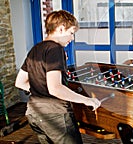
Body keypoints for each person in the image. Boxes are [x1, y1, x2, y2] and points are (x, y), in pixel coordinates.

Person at [15, 10, 101, 144]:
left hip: (35, 114)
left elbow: (20, 82)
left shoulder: (35, 49)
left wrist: (41, 90)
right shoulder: (55, 49)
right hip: (56, 116)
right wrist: (87, 100)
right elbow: (55, 88)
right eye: (71, 33)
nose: (72, 38)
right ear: (61, 29)